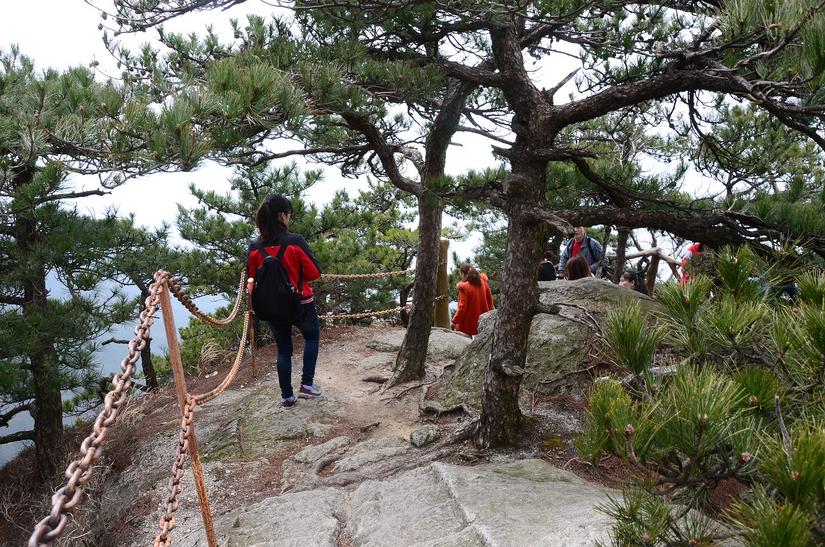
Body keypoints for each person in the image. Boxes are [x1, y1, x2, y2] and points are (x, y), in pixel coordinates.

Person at [247, 194, 322, 408]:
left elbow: (251, 278)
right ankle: (307, 385)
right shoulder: (294, 242)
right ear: (281, 215)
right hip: (301, 302)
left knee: (283, 349)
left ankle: (287, 397)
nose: (289, 217)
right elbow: (315, 272)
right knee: (312, 337)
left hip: (271, 307)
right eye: (289, 213)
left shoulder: (254, 247)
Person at [451, 263, 494, 337]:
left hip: (468, 324)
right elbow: (490, 302)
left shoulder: (464, 287)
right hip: (483, 321)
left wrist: (454, 321)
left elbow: (462, 308)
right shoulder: (483, 283)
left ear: (462, 273)